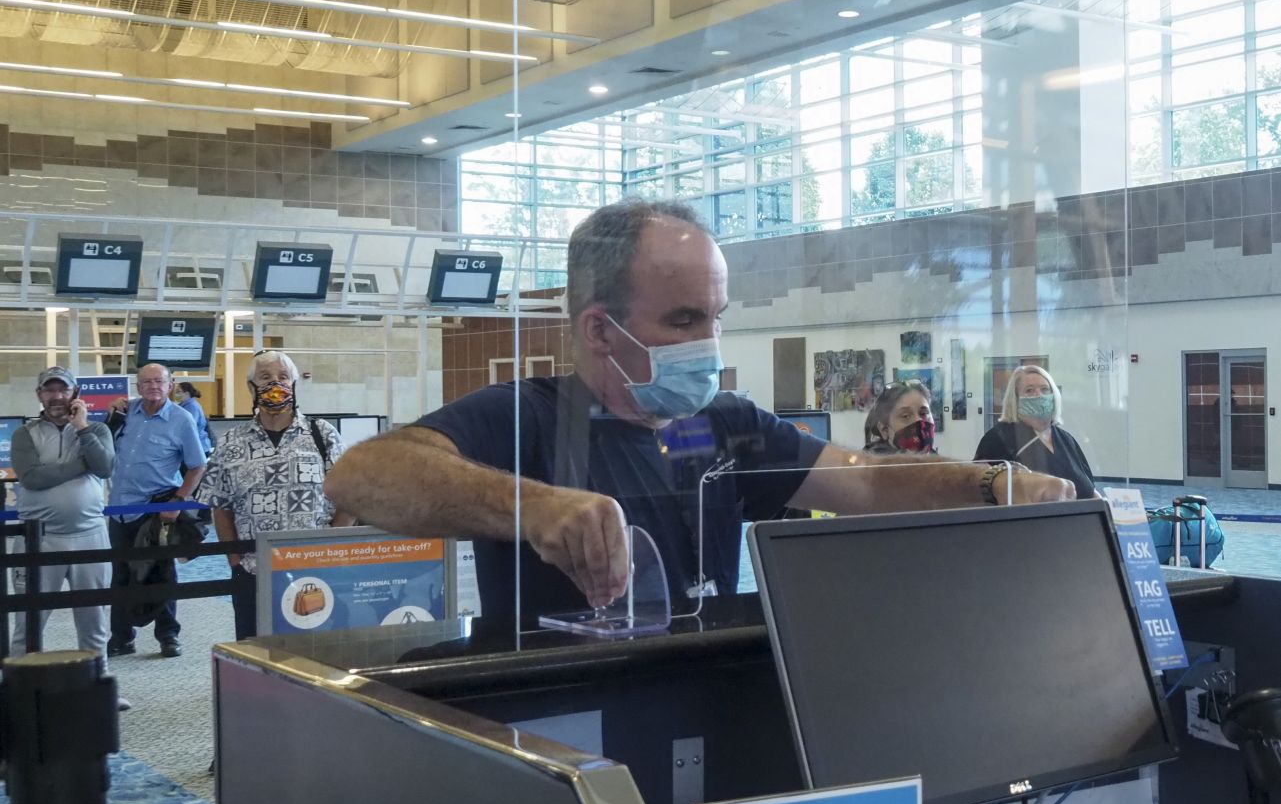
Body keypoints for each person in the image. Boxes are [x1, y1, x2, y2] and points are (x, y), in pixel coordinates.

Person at [324, 199, 1073, 625]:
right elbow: (362, 476)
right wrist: (535, 507)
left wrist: (990, 485)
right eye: (683, 321)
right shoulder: (530, 417)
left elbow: (870, 483)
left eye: (715, 317)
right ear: (597, 330)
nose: (708, 342)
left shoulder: (726, 425)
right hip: (564, 724)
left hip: (704, 693)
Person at [199, 350, 356, 640]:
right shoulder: (231, 442)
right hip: (253, 571)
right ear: (251, 388)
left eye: (284, 377)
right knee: (254, 652)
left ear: (294, 385)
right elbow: (220, 505)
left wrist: (332, 544)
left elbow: (352, 496)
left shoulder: (323, 435)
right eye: (266, 377)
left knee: (315, 652)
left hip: (314, 569)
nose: (276, 384)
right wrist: (234, 558)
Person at [9, 368, 131, 706]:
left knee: (94, 620)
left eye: (62, 390)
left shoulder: (97, 430)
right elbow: (32, 478)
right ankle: (18, 690)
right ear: (39, 396)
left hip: (89, 535)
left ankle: (99, 686)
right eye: (49, 391)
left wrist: (82, 429)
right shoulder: (25, 434)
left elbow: (105, 467)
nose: (56, 397)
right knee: (30, 620)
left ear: (74, 393)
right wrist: (82, 464)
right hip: (39, 539)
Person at [106, 362, 207, 658]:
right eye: (146, 382)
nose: (153, 386)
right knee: (121, 574)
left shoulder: (181, 419)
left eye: (159, 382)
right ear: (137, 386)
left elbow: (198, 465)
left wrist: (178, 502)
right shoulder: (124, 414)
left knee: (161, 571)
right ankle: (122, 638)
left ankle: (168, 636)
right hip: (119, 510)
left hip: (157, 509)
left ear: (170, 385)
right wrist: (111, 416)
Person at [973, 365, 1098, 499]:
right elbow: (980, 493)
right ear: (1015, 399)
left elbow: (1090, 490)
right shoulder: (997, 439)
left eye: (1045, 389)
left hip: (1080, 518)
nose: (1039, 395)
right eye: (1029, 390)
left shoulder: (1066, 440)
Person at [864, 380, 937, 455]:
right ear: (884, 430)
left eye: (923, 413)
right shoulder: (868, 465)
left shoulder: (941, 464)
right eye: (906, 416)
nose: (919, 420)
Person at [173, 380, 213, 455]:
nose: (176, 394)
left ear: (187, 393)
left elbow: (189, 426)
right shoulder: (182, 406)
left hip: (198, 446)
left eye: (178, 392)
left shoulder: (192, 407)